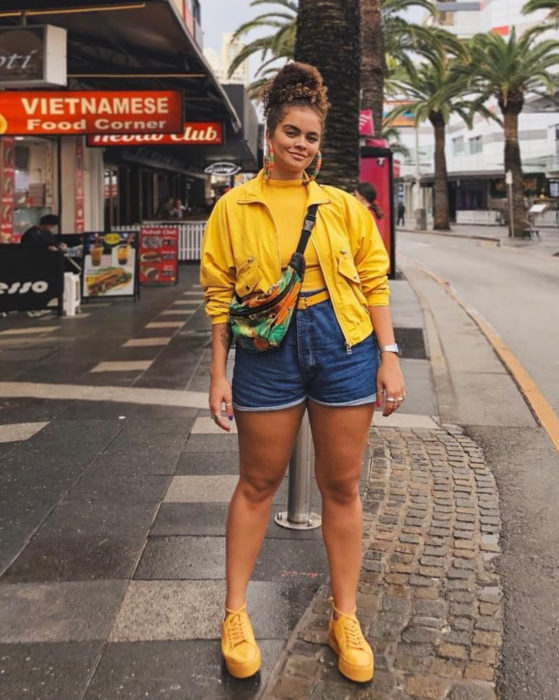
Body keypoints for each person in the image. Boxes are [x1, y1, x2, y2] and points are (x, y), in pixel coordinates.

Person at [201, 62, 404, 684]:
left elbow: (374, 279)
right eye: (292, 131)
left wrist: (389, 354)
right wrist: (218, 373)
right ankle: (234, 613)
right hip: (266, 350)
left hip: (343, 344)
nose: (302, 144)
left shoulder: (342, 207)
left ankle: (346, 616)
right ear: (271, 134)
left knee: (341, 487)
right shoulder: (235, 207)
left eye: (312, 137)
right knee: (257, 483)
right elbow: (219, 293)